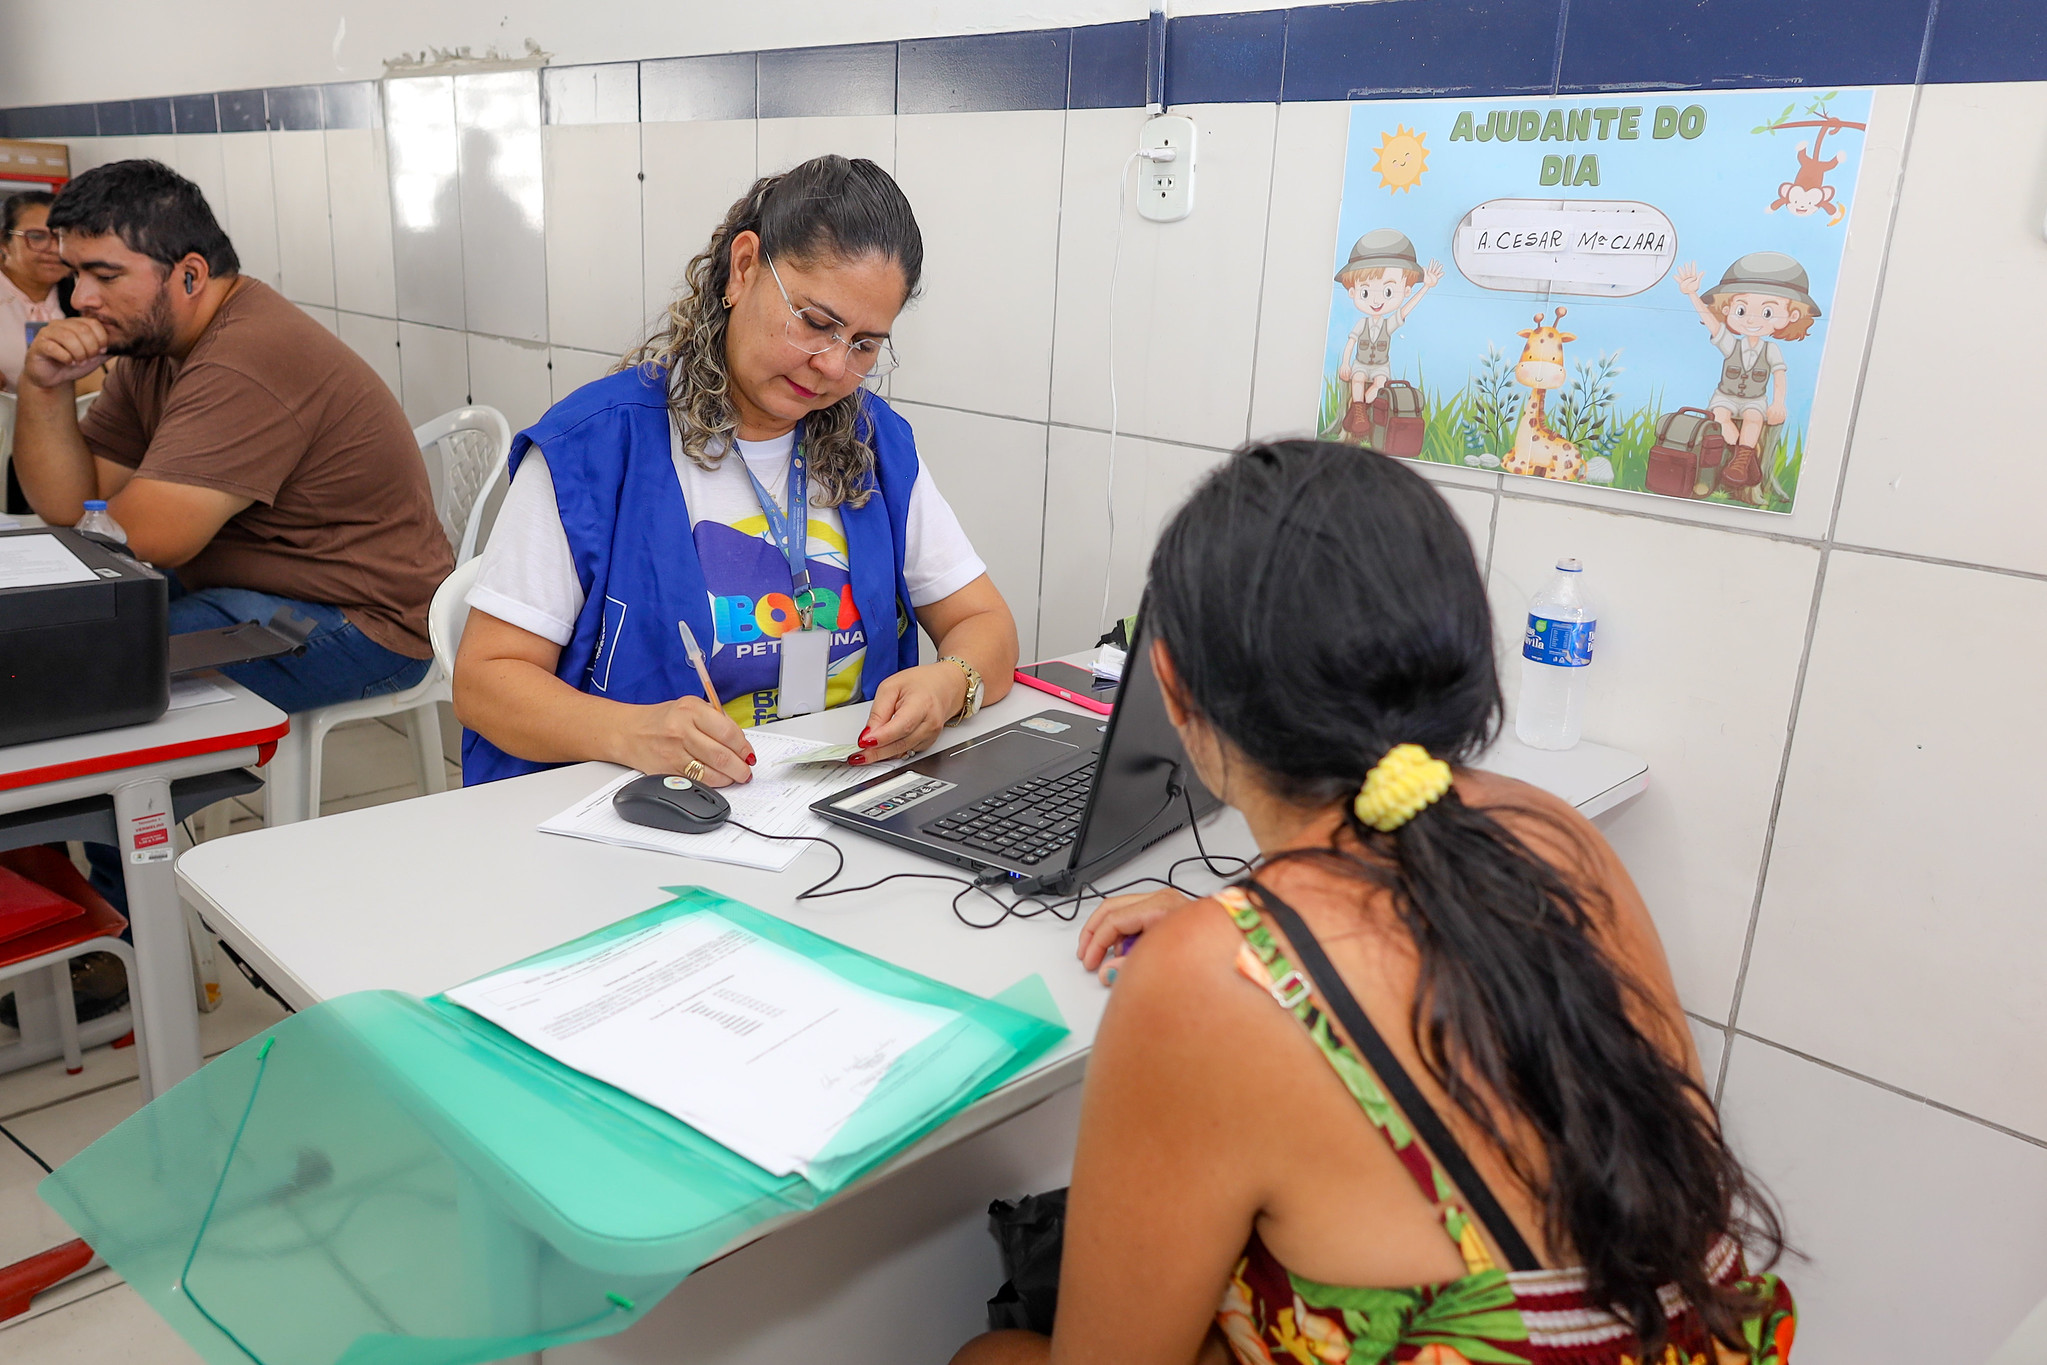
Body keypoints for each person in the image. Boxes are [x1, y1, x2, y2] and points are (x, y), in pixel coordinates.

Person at [953, 443, 1795, 1365]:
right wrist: (1248, 919)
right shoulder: (1555, 832)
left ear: (1173, 687)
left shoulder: (1205, 982)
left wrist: (1216, 950)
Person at [457, 155, 1016, 787]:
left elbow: (986, 626)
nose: (833, 367)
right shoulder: (595, 447)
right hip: (648, 811)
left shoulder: (873, 444)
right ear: (744, 269)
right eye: (815, 323)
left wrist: (951, 683)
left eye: (864, 345)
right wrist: (627, 732)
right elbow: (484, 681)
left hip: (831, 804)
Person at [14, 159, 453, 713]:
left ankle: (142, 796)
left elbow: (146, 537)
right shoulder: (151, 345)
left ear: (191, 275)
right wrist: (43, 386)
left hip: (361, 621)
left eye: (105, 276)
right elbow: (70, 504)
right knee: (41, 634)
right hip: (246, 584)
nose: (79, 299)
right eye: (75, 275)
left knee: (71, 664)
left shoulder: (246, 358)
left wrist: (113, 517)